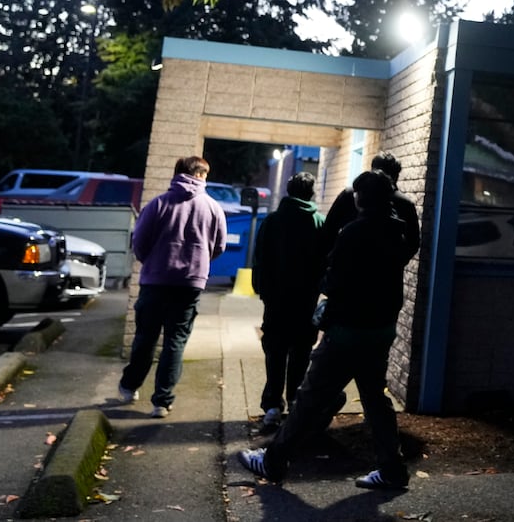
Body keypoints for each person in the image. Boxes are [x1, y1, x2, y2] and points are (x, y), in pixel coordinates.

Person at [239, 169, 415, 490]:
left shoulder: (353, 233)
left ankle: (273, 460)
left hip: (347, 330)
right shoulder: (398, 234)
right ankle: (392, 468)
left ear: (363, 199)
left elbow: (334, 282)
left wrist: (324, 291)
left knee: (309, 396)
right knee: (376, 400)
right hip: (380, 330)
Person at [118, 155, 227, 417]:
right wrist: (199, 262)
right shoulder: (213, 208)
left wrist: (153, 262)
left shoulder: (158, 204)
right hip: (189, 284)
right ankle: (162, 401)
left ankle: (130, 386)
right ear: (202, 176)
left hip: (155, 281)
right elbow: (219, 246)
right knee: (175, 342)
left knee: (146, 337)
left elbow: (140, 243)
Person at [251, 171, 328, 428]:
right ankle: (295, 402)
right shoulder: (320, 223)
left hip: (276, 300)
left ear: (288, 191)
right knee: (301, 353)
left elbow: (260, 258)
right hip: (306, 301)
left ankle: (272, 405)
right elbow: (326, 262)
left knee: (275, 352)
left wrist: (261, 289)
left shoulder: (273, 221)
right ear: (312, 193)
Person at [321, 151, 420, 262]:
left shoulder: (351, 195)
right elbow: (413, 242)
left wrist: (334, 258)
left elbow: (329, 229)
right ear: (396, 175)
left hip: (349, 270)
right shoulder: (405, 203)